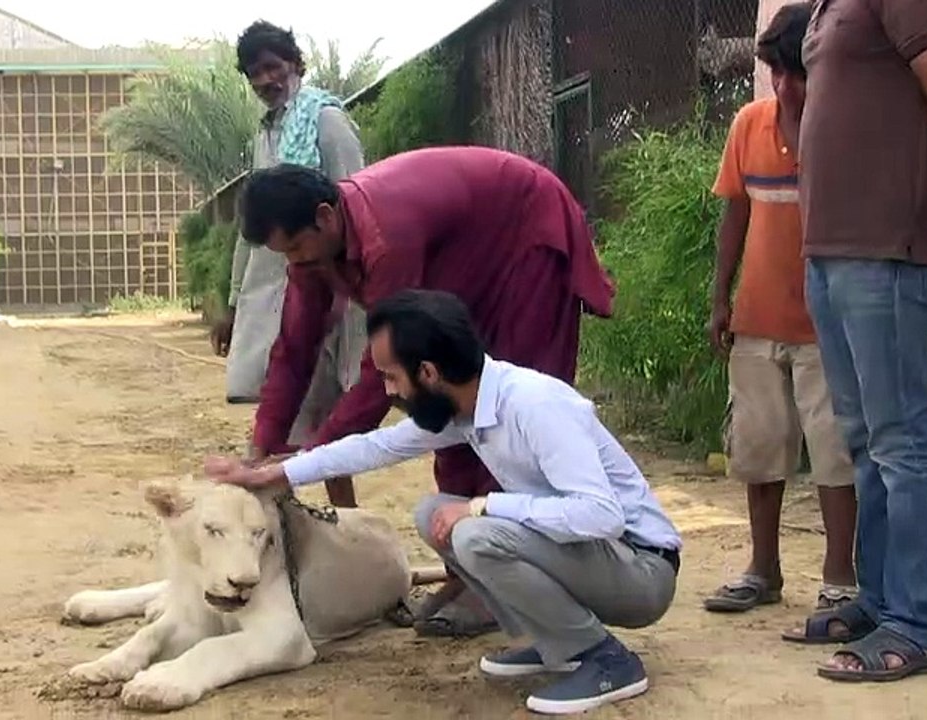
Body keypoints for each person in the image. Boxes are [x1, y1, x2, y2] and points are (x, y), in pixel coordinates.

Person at [206, 289, 680, 716]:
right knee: (433, 513)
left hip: (641, 571)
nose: (389, 391)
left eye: (392, 377)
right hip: (600, 559)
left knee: (473, 530)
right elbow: (374, 447)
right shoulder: (466, 405)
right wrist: (275, 471)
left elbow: (599, 514)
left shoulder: (535, 405)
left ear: (428, 373)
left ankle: (606, 661)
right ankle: (560, 641)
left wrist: (483, 505)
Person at [237, 145, 615, 638]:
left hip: (525, 235)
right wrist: (262, 445)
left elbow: (387, 372)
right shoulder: (316, 253)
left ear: (325, 218)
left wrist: (304, 459)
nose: (294, 263)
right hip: (466, 260)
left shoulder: (387, 238)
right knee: (444, 412)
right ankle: (470, 573)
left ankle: (507, 582)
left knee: (500, 415)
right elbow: (294, 344)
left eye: (293, 250)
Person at [789, 0, 927, 682]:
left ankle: (923, 620)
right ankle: (884, 598)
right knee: (864, 438)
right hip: (832, 246)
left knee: (903, 436)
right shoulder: (826, 6)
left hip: (888, 241)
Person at [703, 3, 857, 616]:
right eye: (776, 73)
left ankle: (840, 579)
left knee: (834, 451)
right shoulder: (748, 124)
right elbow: (734, 216)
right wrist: (720, 299)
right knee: (759, 447)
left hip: (826, 328)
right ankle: (762, 570)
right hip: (757, 321)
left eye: (797, 73)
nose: (786, 86)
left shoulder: (841, 130)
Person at [209, 20, 368, 509]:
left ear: (296, 64)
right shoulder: (265, 134)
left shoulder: (326, 121)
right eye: (254, 73)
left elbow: (356, 204)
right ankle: (294, 526)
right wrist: (235, 302)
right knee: (290, 411)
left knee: (324, 417)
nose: (264, 80)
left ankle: (344, 530)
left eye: (272, 67)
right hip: (274, 292)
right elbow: (250, 227)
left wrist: (343, 293)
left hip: (326, 291)